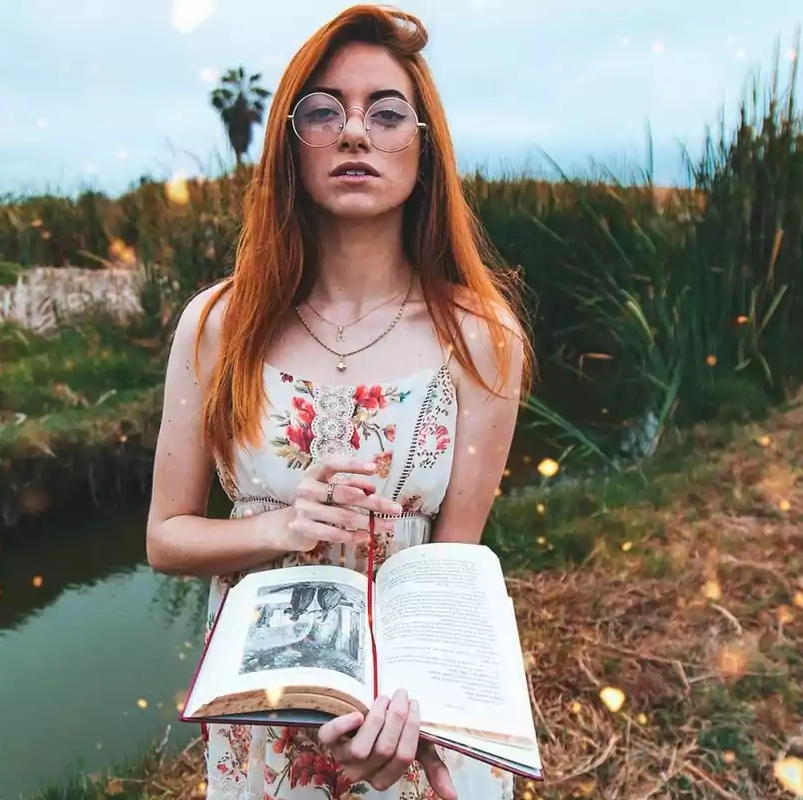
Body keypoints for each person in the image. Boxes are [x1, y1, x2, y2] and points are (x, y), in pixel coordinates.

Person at [146, 4, 532, 798]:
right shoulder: (218, 326)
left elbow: (453, 572)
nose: (355, 133)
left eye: (387, 113)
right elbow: (165, 538)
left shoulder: (483, 337)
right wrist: (280, 526)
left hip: (407, 718)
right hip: (267, 722)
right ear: (290, 147)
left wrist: (405, 721)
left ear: (425, 148)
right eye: (323, 111)